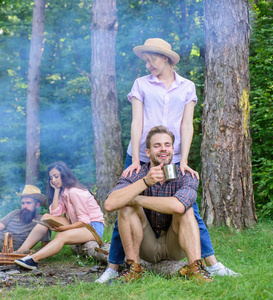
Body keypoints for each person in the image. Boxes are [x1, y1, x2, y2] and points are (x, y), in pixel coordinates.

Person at [96, 38, 237, 283]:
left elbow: (186, 125)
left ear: (166, 59)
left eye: (151, 59)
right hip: (142, 156)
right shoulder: (141, 84)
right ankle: (114, 266)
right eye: (145, 60)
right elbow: (137, 121)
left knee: (186, 206)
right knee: (125, 205)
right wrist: (136, 159)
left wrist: (183, 159)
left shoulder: (187, 87)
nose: (148, 64)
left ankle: (210, 263)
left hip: (172, 156)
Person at [105, 126, 213, 283]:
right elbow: (110, 204)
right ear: (148, 152)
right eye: (157, 145)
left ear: (173, 149)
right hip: (146, 246)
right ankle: (133, 269)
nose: (163, 149)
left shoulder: (185, 175)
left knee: (186, 210)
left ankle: (196, 269)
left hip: (175, 244)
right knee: (126, 207)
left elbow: (178, 206)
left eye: (167, 145)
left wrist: (136, 199)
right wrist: (145, 182)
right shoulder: (136, 173)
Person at [14, 161, 105, 270]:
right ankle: (21, 251)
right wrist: (57, 190)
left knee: (60, 236)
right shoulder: (64, 191)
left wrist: (65, 228)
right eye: (51, 178)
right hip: (77, 224)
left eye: (56, 176)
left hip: (92, 227)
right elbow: (55, 213)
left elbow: (84, 221)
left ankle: (33, 260)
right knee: (46, 217)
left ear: (64, 174)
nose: (53, 180)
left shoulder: (75, 192)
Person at [0, 185, 50, 251]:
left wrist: (31, 251)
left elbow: (45, 247)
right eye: (23, 203)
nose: (25, 206)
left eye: (28, 203)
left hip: (12, 250)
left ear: (37, 205)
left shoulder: (42, 221)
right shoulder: (15, 213)